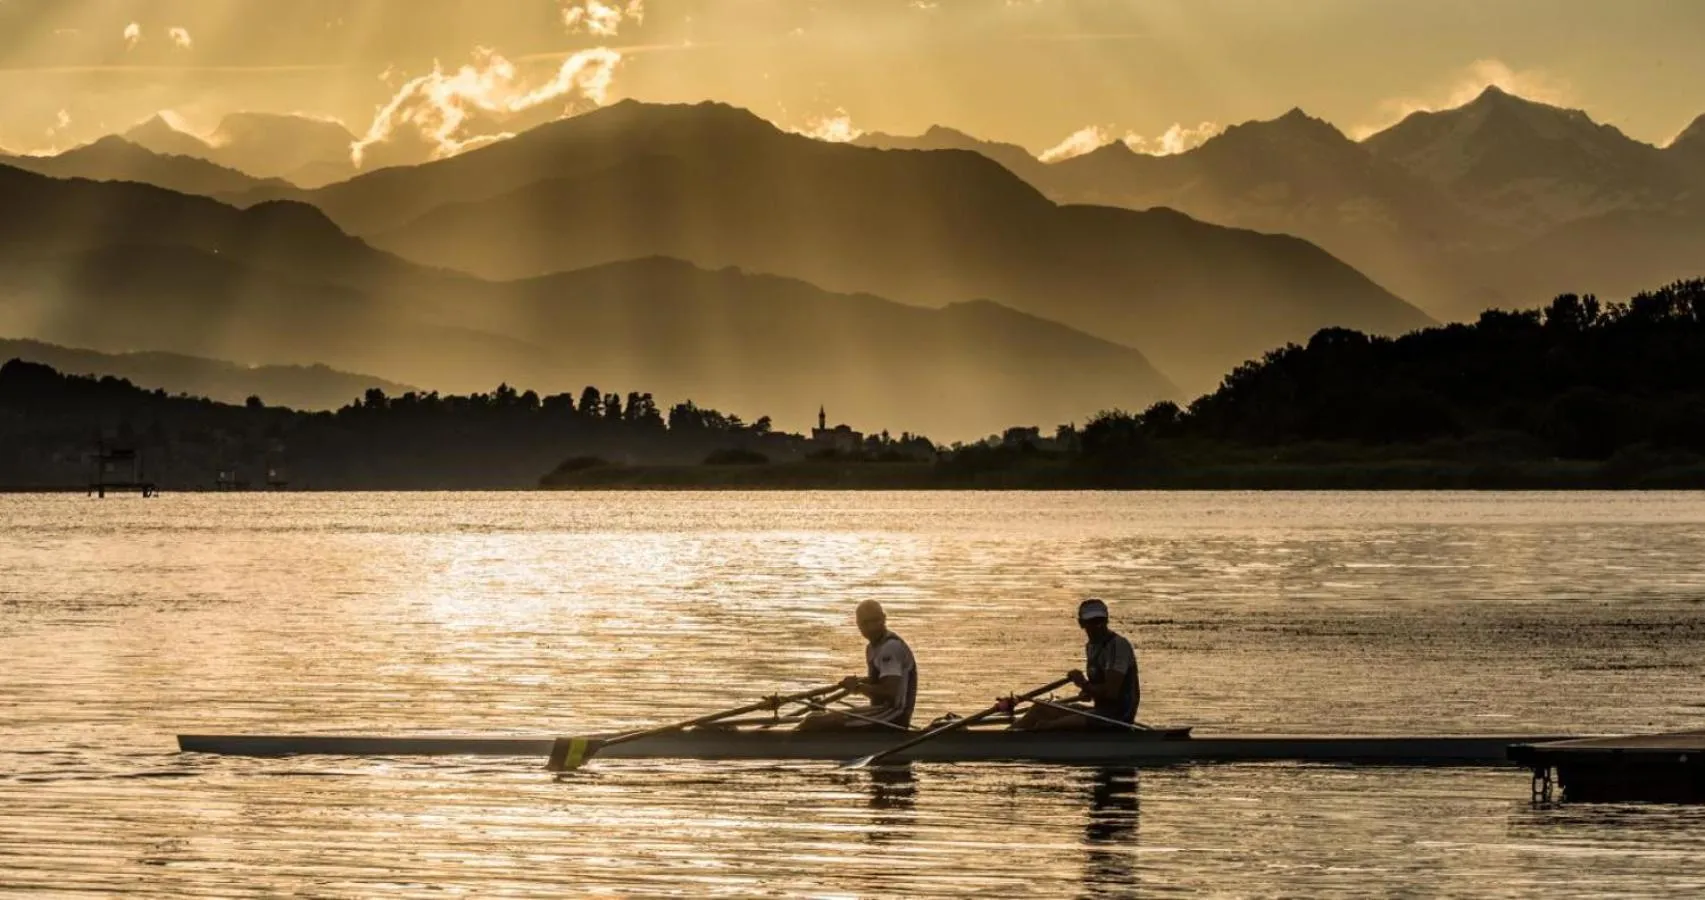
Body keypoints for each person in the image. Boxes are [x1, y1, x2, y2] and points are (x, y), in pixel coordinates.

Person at [1016, 598, 1139, 731]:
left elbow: (1111, 693)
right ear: (1081, 623)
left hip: (1118, 718)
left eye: (1101, 621)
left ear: (1107, 620)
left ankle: (1024, 739)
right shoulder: (1091, 646)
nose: (1098, 626)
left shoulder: (1117, 646)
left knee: (1046, 726)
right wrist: (1087, 691)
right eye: (1092, 621)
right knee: (1040, 710)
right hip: (1100, 712)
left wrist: (1083, 684)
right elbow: (1098, 690)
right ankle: (1006, 737)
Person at [798, 599, 918, 731]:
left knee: (812, 722)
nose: (871, 627)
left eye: (875, 620)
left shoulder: (890, 647)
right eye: (865, 623)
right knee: (814, 715)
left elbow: (890, 692)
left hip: (893, 717)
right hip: (881, 713)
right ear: (858, 624)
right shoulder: (872, 648)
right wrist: (859, 682)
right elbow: (879, 683)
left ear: (884, 618)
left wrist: (858, 687)